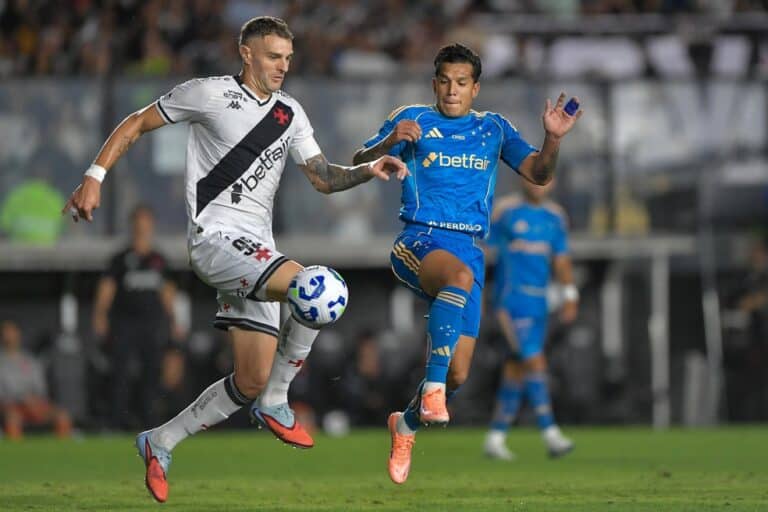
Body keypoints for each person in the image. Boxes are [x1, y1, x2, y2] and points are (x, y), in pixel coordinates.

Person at [63, 16, 407, 503]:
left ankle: (161, 441)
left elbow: (322, 177)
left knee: (248, 378)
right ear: (245, 53)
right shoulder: (207, 94)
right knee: (318, 289)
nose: (282, 67)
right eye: (273, 57)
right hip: (215, 240)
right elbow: (138, 122)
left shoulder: (290, 113)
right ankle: (277, 401)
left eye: (288, 58)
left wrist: (368, 169)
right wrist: (95, 175)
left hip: (257, 252)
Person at [352, 43, 582, 484]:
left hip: (468, 251)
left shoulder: (493, 128)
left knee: (458, 372)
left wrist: (553, 138)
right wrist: (389, 141)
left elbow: (538, 174)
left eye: (461, 83)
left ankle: (405, 425)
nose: (452, 91)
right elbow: (362, 159)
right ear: (433, 82)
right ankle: (433, 392)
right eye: (444, 81)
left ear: (475, 88)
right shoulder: (413, 119)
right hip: (418, 239)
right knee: (456, 281)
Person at [482, 178, 578, 461]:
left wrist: (570, 294)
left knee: (517, 370)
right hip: (511, 302)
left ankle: (495, 437)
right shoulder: (506, 211)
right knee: (535, 362)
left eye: (545, 179)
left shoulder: (555, 217)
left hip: (540, 303)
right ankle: (551, 434)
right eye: (533, 177)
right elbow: (486, 249)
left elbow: (561, 259)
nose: (538, 184)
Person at [92, 204, 183, 429]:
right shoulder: (120, 260)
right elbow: (106, 290)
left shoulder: (159, 260)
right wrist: (100, 316)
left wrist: (175, 322)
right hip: (124, 324)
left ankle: (151, 422)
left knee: (152, 373)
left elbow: (168, 295)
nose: (142, 228)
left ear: (151, 226)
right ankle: (117, 422)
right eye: (138, 223)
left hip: (152, 325)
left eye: (146, 223)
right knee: (120, 372)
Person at [0, 321, 72, 440]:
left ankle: (62, 454)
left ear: (18, 334)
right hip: (9, 405)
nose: (9, 336)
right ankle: (17, 454)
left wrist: (33, 401)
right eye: (6, 332)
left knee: (62, 416)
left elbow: (41, 389)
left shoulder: (31, 361)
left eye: (12, 332)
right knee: (13, 418)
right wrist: (22, 399)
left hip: (34, 404)